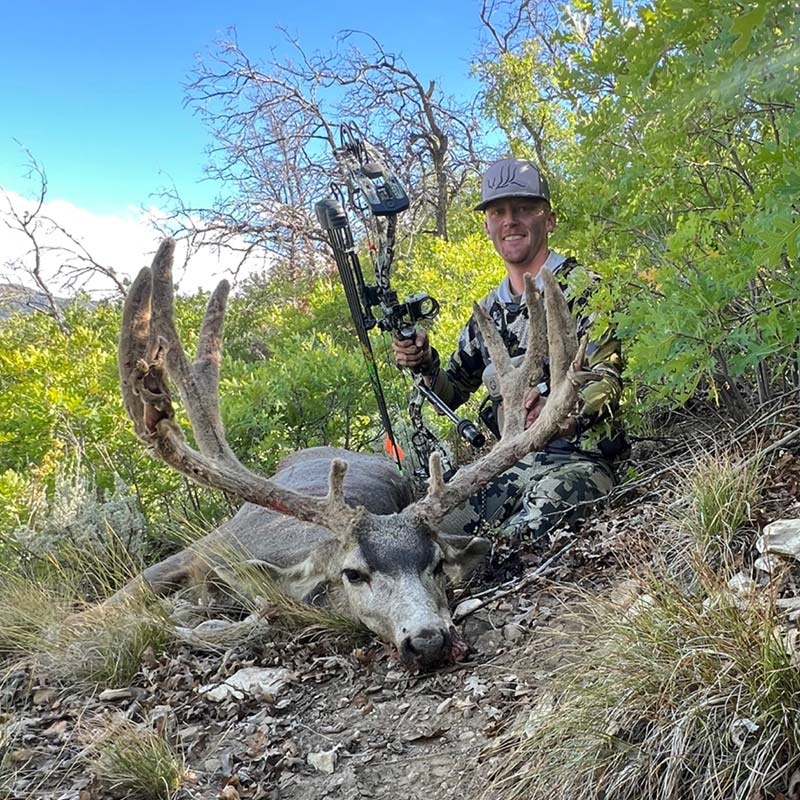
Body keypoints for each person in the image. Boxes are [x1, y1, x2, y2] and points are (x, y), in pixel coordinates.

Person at [392, 157, 625, 540]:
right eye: (498, 212)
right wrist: (425, 363)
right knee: (425, 532)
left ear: (547, 219)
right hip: (509, 461)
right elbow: (453, 389)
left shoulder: (586, 290)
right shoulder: (488, 312)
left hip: (580, 460)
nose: (510, 221)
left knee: (520, 538)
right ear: (487, 226)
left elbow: (608, 380)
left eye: (523, 209)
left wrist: (561, 409)